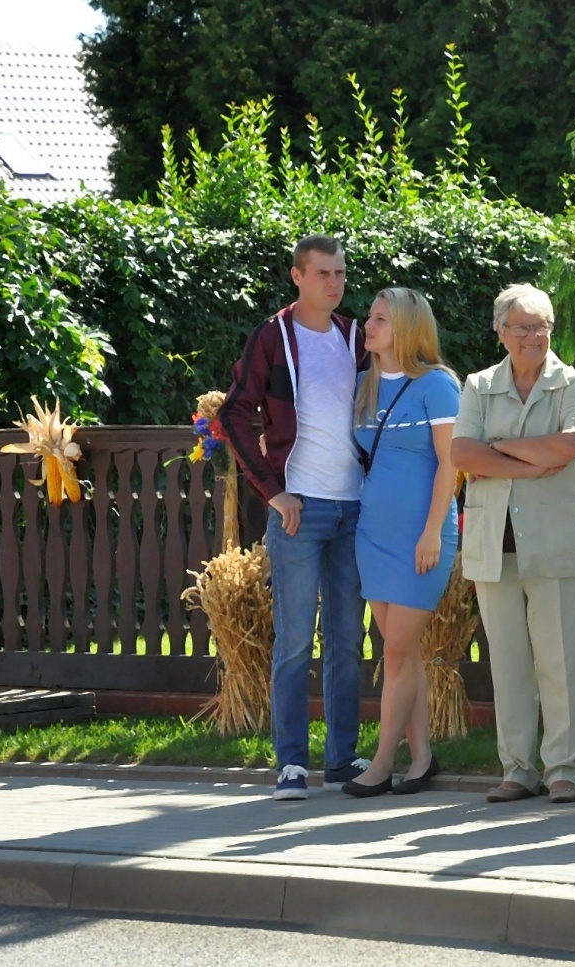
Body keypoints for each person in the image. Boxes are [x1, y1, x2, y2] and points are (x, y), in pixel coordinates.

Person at [218, 234, 369, 801]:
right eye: (323, 273)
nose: (334, 283)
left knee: (347, 641)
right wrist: (274, 491)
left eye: (340, 274)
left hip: (354, 507)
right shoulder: (273, 336)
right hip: (298, 511)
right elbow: (233, 413)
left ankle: (343, 759)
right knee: (294, 642)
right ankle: (291, 765)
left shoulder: (356, 337)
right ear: (297, 276)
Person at [452, 284, 575, 805]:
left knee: (564, 661)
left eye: (542, 327)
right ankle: (517, 768)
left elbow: (572, 442)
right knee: (509, 664)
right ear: (501, 331)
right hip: (495, 542)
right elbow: (463, 454)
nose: (534, 336)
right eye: (522, 327)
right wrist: (530, 462)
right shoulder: (478, 385)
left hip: (557, 541)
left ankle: (563, 770)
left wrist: (499, 449)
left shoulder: (573, 382)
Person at [342, 288, 460, 798]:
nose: (368, 326)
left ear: (408, 328)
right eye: (370, 317)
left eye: (380, 319)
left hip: (421, 536)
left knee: (395, 650)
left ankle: (382, 761)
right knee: (401, 653)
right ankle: (423, 757)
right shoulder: (363, 386)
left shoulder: (437, 385)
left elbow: (451, 464)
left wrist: (432, 531)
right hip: (374, 534)